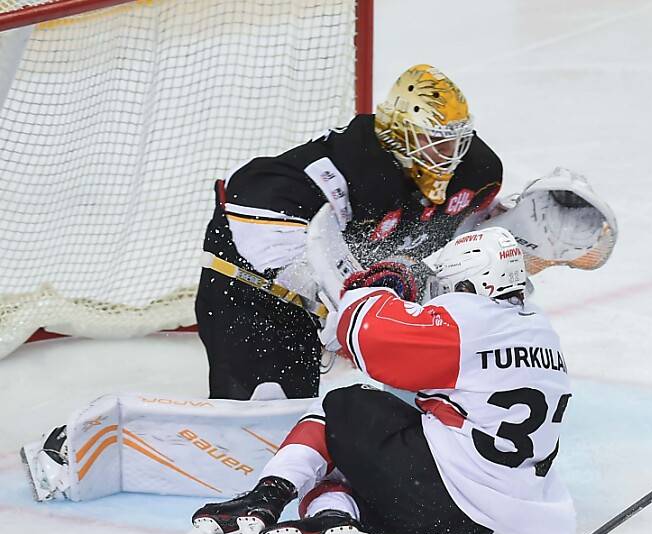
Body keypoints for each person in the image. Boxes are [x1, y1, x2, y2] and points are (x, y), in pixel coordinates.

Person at [196, 63, 617, 401]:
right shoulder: (338, 168)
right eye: (435, 143)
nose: (449, 158)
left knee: (417, 399)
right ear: (400, 134)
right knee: (264, 415)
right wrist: (346, 303)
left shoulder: (476, 171)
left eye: (456, 143)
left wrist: (524, 236)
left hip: (348, 294)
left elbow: (468, 241)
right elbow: (260, 224)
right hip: (256, 291)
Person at [184, 227, 576, 534]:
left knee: (343, 405)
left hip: (435, 496)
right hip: (469, 528)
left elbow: (361, 328)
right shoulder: (542, 331)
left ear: (472, 284)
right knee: (361, 444)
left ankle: (266, 496)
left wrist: (386, 281)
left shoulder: (469, 320)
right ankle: (335, 515)